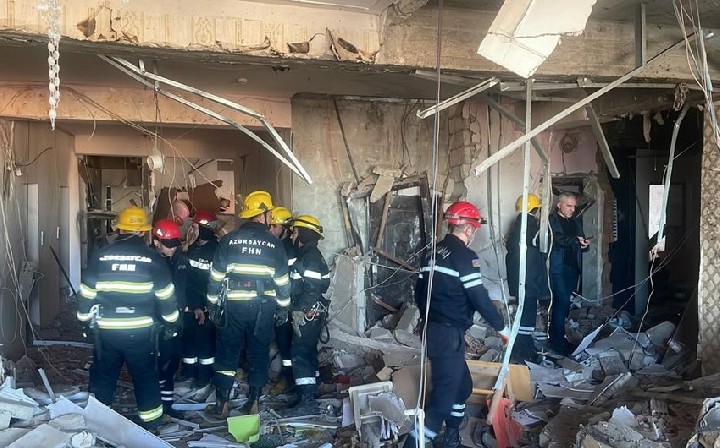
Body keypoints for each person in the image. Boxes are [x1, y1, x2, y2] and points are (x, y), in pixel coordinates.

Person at [405, 201, 507, 448]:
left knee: (462, 388)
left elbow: (419, 293)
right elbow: (479, 297)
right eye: (474, 231)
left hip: (436, 331)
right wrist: (502, 328)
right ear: (469, 229)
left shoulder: (431, 253)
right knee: (442, 401)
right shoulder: (465, 257)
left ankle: (450, 438)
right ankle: (413, 443)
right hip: (446, 335)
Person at [77, 206, 180, 430]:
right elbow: (166, 296)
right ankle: (151, 423)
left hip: (106, 332)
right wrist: (171, 324)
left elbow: (86, 293)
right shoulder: (153, 258)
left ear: (119, 229)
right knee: (145, 376)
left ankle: (98, 422)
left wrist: (83, 322)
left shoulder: (101, 256)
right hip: (141, 333)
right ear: (143, 232)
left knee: (104, 375)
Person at [205, 191, 291, 418]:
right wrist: (283, 309)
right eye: (269, 213)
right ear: (262, 215)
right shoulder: (275, 244)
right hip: (264, 307)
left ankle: (222, 404)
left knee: (227, 352)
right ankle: (254, 402)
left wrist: (212, 305)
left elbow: (215, 276)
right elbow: (283, 282)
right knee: (258, 352)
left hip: (233, 305)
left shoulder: (229, 240)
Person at [282, 215, 331, 417]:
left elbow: (312, 288)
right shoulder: (310, 255)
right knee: (308, 351)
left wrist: (300, 310)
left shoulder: (309, 257)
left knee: (300, 353)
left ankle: (307, 400)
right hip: (312, 311)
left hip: (307, 313)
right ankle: (311, 390)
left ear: (303, 234)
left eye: (295, 232)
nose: (292, 236)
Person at [151, 219, 190, 418]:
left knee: (173, 361)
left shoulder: (181, 261)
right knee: (158, 363)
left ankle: (167, 404)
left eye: (175, 244)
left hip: (176, 320)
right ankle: (154, 403)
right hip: (155, 322)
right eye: (168, 245)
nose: (172, 248)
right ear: (156, 242)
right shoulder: (149, 262)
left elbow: (187, 287)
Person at [505, 194, 550, 364]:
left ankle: (523, 344)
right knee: (527, 315)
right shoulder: (531, 228)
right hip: (528, 280)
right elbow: (537, 256)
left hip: (521, 279)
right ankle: (522, 349)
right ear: (535, 209)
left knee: (524, 311)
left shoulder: (518, 228)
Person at [180, 210, 220, 388]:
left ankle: (205, 375)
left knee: (205, 342)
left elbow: (215, 283)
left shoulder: (217, 251)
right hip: (190, 304)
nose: (192, 231)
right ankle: (189, 372)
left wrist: (205, 306)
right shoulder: (190, 248)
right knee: (188, 340)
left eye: (196, 228)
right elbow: (186, 279)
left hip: (207, 306)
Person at [548, 192, 589, 355]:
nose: (572, 209)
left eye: (574, 206)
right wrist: (576, 241)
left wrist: (585, 245)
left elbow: (581, 241)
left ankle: (559, 337)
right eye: (569, 205)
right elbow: (557, 239)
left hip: (573, 267)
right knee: (562, 300)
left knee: (565, 303)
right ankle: (556, 341)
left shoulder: (576, 221)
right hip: (558, 267)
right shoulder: (551, 220)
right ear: (559, 205)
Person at [268, 206, 297, 392]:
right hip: (275, 302)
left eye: (274, 226)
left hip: (286, 303)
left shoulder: (287, 249)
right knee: (277, 340)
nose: (270, 229)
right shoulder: (276, 246)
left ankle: (288, 379)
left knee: (285, 342)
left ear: (284, 228)